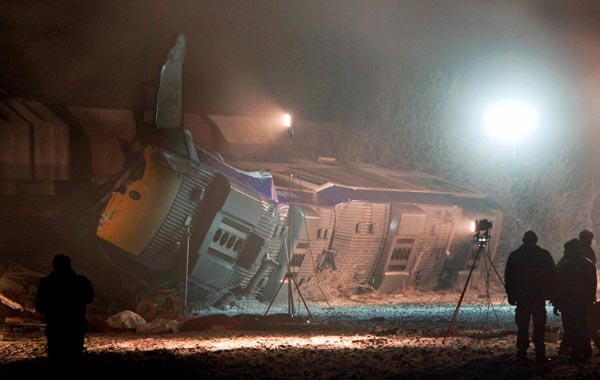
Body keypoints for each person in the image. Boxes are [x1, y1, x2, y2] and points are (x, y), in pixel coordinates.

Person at [504, 230, 558, 363]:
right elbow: (553, 276)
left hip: (522, 297)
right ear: (536, 240)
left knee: (522, 326)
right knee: (539, 325)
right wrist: (552, 294)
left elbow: (509, 277)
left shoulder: (515, 256)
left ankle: (521, 353)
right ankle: (540, 353)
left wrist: (511, 294)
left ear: (523, 240)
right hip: (538, 297)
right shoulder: (544, 255)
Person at [35, 254, 95, 364]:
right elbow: (89, 298)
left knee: (56, 355)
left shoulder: (46, 282)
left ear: (54, 265)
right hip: (75, 322)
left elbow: (40, 304)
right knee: (74, 354)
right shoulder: (81, 281)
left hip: (55, 324)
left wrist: (51, 310)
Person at [554, 238, 597, 362]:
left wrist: (557, 303)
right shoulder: (588, 265)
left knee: (570, 328)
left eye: (566, 251)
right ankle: (586, 350)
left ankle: (576, 352)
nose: (565, 253)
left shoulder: (565, 268)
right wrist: (590, 301)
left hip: (568, 303)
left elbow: (559, 287)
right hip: (583, 302)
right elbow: (592, 285)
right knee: (582, 326)